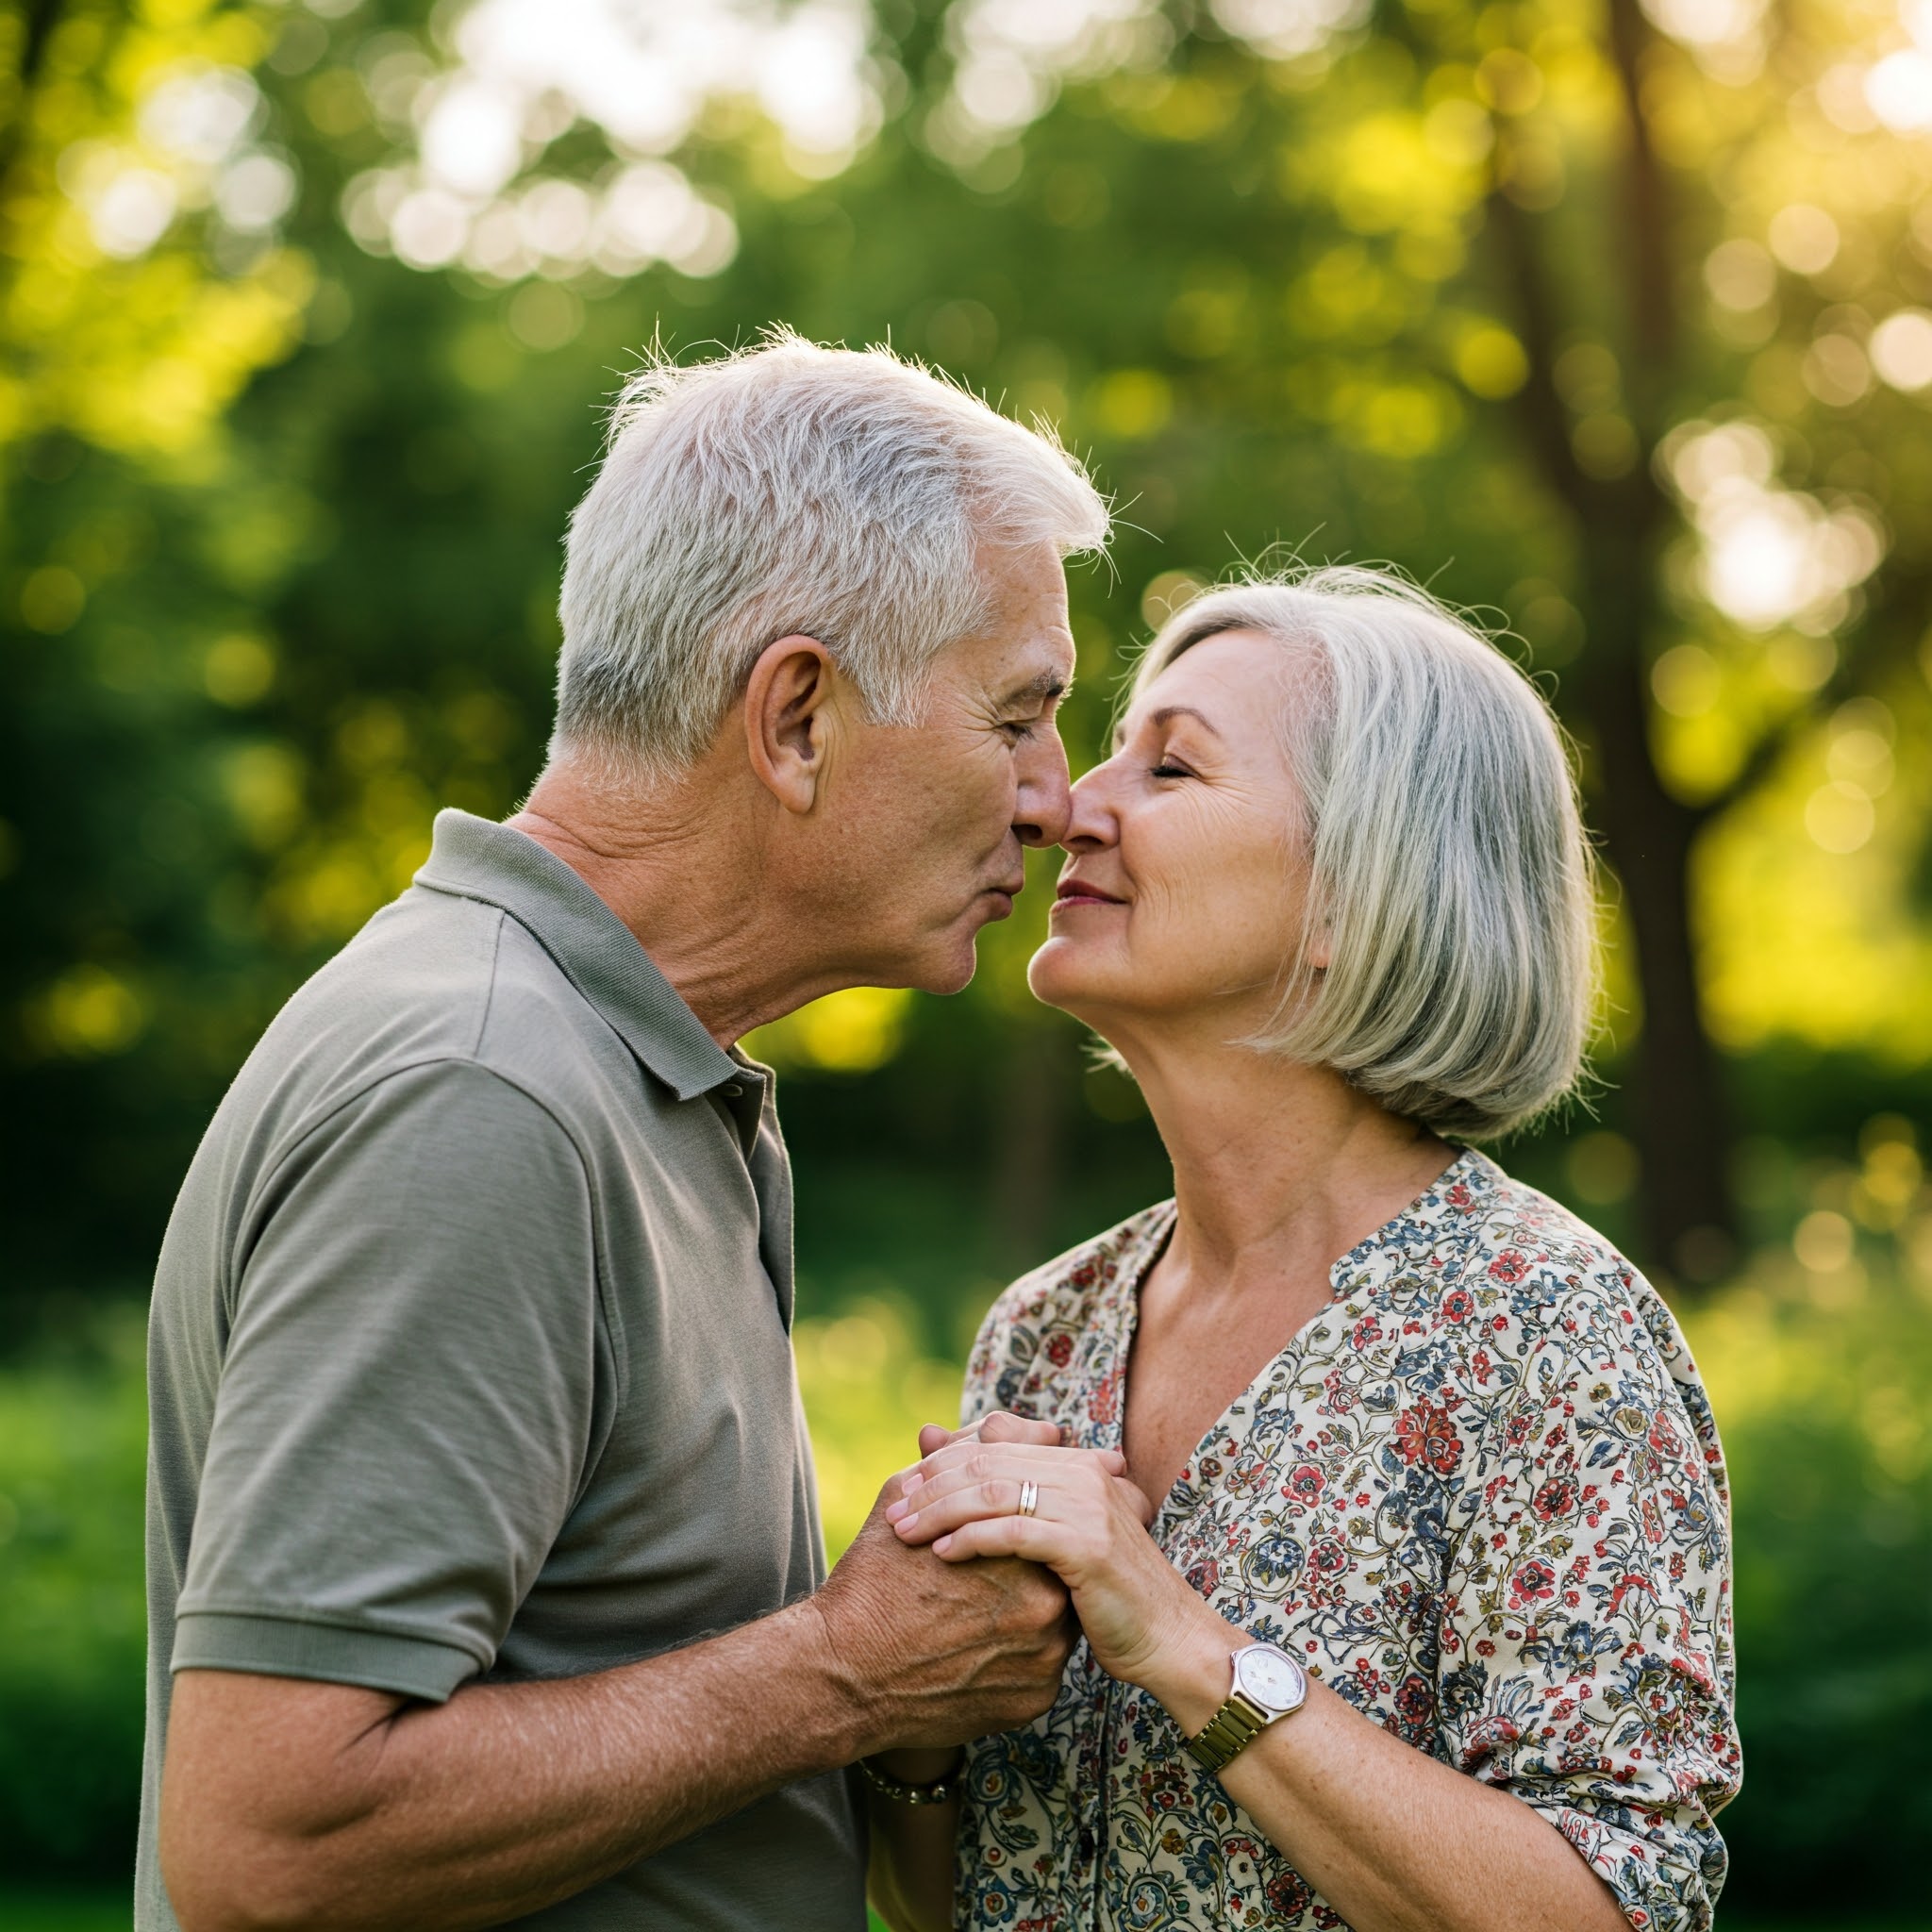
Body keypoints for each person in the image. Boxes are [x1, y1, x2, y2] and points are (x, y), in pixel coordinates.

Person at [141, 331, 1112, 1932]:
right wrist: (847, 1673)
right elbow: (271, 1843)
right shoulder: (483, 1092)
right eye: (1017, 717)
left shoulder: (628, 1067)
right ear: (795, 717)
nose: (1055, 797)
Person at [867, 570, 1741, 1932]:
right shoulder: (1046, 1328)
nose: (1068, 805)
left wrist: (1183, 1643)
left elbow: (1614, 1910)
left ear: (1358, 892)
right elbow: (952, 1902)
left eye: (1171, 765)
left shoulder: (1548, 1334)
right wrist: (914, 1710)